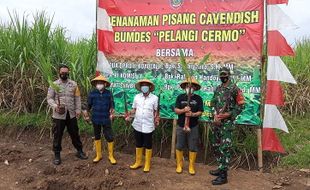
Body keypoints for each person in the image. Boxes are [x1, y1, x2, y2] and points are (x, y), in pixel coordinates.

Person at [209, 67, 245, 185]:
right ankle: (220, 166)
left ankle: (223, 176)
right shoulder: (218, 88)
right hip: (216, 123)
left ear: (229, 75)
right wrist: (215, 115)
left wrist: (228, 115)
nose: (222, 77)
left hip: (227, 124)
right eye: (221, 75)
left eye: (224, 75)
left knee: (225, 148)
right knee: (215, 145)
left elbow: (241, 106)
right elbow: (213, 102)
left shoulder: (234, 89)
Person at [47, 64, 88, 165]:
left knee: (75, 133)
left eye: (66, 73)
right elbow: (49, 98)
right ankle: (57, 155)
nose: (64, 74)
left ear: (68, 73)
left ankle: (79, 151)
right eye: (62, 73)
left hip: (71, 114)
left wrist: (78, 110)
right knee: (57, 135)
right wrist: (55, 106)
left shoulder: (73, 84)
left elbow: (77, 98)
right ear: (59, 73)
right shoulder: (54, 84)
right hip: (58, 115)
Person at [125, 79, 159, 172]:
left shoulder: (155, 98)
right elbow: (134, 110)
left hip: (148, 125)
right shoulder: (136, 97)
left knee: (148, 144)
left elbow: (156, 112)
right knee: (138, 143)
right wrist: (129, 113)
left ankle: (147, 164)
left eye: (146, 85)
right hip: (137, 124)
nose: (144, 87)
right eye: (142, 85)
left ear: (150, 87)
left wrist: (156, 119)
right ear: (140, 88)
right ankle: (138, 162)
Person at [174, 77, 204, 175]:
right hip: (181, 125)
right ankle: (179, 165)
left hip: (193, 126)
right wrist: (183, 110)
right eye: (187, 86)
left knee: (193, 146)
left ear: (195, 88)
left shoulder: (198, 99)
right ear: (185, 87)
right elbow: (176, 110)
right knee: (179, 145)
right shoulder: (180, 97)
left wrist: (192, 114)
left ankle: (191, 166)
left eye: (191, 86)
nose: (189, 88)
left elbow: (200, 112)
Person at [85, 75, 117, 165]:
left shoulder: (108, 93)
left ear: (105, 84)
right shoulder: (92, 93)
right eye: (98, 83)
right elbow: (88, 105)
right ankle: (98, 155)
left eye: (101, 83)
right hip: (95, 118)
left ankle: (111, 155)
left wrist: (112, 109)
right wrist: (86, 113)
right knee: (97, 136)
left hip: (106, 118)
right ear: (95, 84)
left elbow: (112, 104)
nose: (99, 84)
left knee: (109, 136)